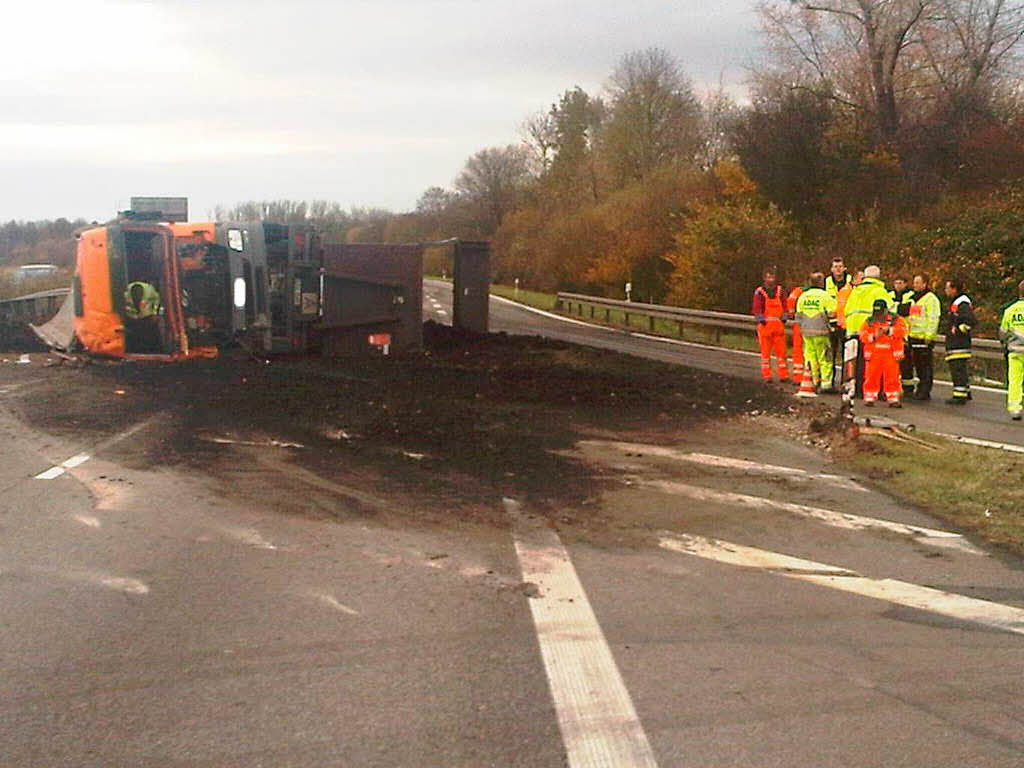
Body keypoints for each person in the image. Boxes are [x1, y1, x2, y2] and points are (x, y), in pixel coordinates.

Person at [843, 266, 892, 397]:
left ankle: (857, 389)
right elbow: (890, 310)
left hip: (853, 330)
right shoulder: (879, 291)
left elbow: (847, 310)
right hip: (871, 331)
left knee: (857, 362)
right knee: (871, 363)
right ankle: (873, 390)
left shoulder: (856, 290)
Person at [860, 298, 907, 408]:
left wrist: (888, 331)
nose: (879, 316)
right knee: (871, 377)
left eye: (880, 313)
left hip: (891, 354)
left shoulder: (896, 320)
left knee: (892, 377)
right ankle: (870, 397)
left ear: (886, 310)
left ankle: (893, 398)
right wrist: (874, 336)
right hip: (874, 354)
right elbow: (862, 335)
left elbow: (902, 331)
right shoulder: (869, 321)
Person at [795, 272, 837, 393]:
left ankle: (813, 380)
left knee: (810, 357)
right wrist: (833, 328)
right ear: (821, 283)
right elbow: (832, 315)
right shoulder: (825, 296)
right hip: (821, 332)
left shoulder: (803, 296)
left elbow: (798, 316)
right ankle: (826, 383)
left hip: (807, 332)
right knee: (825, 358)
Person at [906, 274, 940, 400]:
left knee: (925, 365)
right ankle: (920, 387)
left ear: (925, 284)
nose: (915, 285)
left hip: (924, 337)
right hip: (913, 336)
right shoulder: (913, 298)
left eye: (917, 283)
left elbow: (933, 318)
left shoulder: (931, 299)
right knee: (918, 364)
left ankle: (925, 390)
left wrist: (929, 336)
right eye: (914, 282)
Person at [752, 268, 789, 382]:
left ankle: (784, 375)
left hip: (778, 327)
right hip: (765, 327)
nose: (770, 280)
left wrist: (785, 316)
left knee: (782, 353)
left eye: (772, 277)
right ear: (764, 278)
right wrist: (761, 319)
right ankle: (767, 375)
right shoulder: (760, 292)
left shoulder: (780, 291)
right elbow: (756, 308)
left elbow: (785, 305)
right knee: (765, 354)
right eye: (768, 277)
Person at [943, 278, 976, 405]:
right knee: (960, 368)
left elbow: (971, 321)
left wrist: (957, 330)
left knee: (957, 369)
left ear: (954, 289)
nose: (946, 291)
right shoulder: (957, 301)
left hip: (959, 343)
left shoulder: (961, 303)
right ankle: (965, 391)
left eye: (947, 288)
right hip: (957, 342)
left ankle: (959, 395)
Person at [825, 257, 852, 391]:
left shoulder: (851, 282)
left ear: (845, 268)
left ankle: (844, 383)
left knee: (846, 357)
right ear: (831, 269)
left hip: (846, 324)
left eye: (840, 266)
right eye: (835, 267)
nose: (838, 269)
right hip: (830, 323)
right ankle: (828, 381)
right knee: (830, 354)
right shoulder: (827, 282)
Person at [999, 280, 1024, 420]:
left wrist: (1004, 343)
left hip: (1015, 351)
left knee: (1015, 380)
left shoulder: (1010, 310)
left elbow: (1003, 332)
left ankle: (1015, 409)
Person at [123, 280, 163, 352]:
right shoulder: (126, 292)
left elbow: (157, 300)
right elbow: (124, 305)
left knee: (151, 338)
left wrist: (155, 313)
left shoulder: (150, 290)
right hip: (133, 319)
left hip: (148, 318)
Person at [786, 283, 805, 384]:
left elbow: (790, 301)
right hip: (815, 325)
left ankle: (798, 376)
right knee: (812, 351)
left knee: (798, 350)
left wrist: (791, 313)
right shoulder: (821, 292)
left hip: (799, 323)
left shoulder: (798, 291)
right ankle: (814, 377)